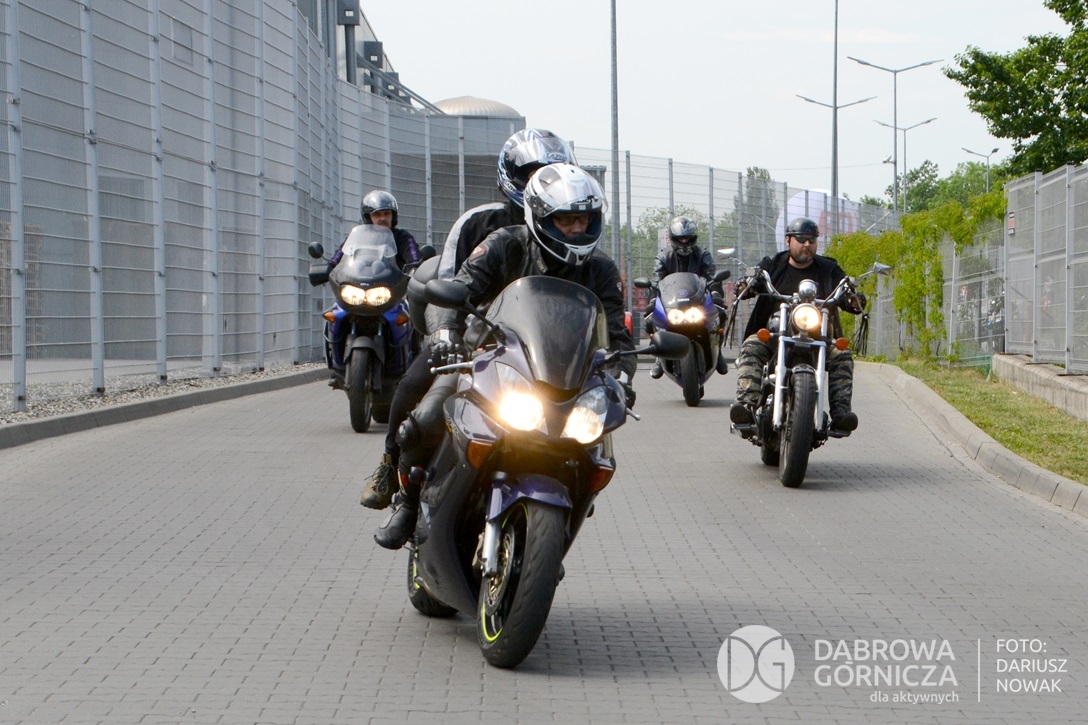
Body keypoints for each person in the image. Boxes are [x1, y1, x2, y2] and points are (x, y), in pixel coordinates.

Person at [374, 163, 636, 550]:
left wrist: (623, 376)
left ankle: (551, 541)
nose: (576, 230)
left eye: (583, 220)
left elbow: (617, 335)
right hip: (488, 358)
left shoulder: (601, 269)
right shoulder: (504, 244)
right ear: (540, 217)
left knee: (593, 450)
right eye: (565, 220)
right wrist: (446, 332)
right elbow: (458, 288)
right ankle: (408, 503)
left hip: (563, 378)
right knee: (425, 419)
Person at [358, 129, 575, 510]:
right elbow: (447, 282)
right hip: (475, 342)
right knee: (422, 408)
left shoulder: (571, 232)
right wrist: (445, 331)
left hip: (538, 352)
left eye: (550, 173)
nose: (540, 182)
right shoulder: (479, 222)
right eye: (532, 173)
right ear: (511, 176)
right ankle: (392, 468)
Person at [728, 217, 864, 434]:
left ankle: (841, 413)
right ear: (788, 240)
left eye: (811, 240)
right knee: (752, 346)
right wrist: (746, 285)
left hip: (818, 336)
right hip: (775, 334)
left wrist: (853, 299)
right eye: (801, 239)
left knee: (842, 354)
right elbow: (753, 282)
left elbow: (844, 289)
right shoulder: (773, 265)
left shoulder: (829, 268)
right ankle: (746, 406)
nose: (806, 244)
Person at [326, 190, 422, 387]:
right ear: (368, 217)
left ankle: (415, 366)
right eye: (377, 214)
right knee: (334, 313)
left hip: (392, 294)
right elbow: (338, 259)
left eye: (386, 214)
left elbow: (414, 258)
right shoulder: (355, 240)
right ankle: (337, 366)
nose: (382, 218)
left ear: (393, 216)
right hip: (358, 292)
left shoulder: (402, 238)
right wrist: (326, 269)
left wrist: (416, 268)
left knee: (411, 316)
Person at [647, 215, 727, 378]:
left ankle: (718, 351)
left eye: (688, 238)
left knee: (722, 313)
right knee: (650, 319)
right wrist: (653, 299)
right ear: (673, 238)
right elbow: (657, 281)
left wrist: (715, 293)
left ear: (693, 238)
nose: (684, 242)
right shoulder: (663, 257)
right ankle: (659, 357)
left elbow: (711, 277)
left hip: (698, 301)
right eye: (680, 238)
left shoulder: (703, 254)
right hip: (672, 302)